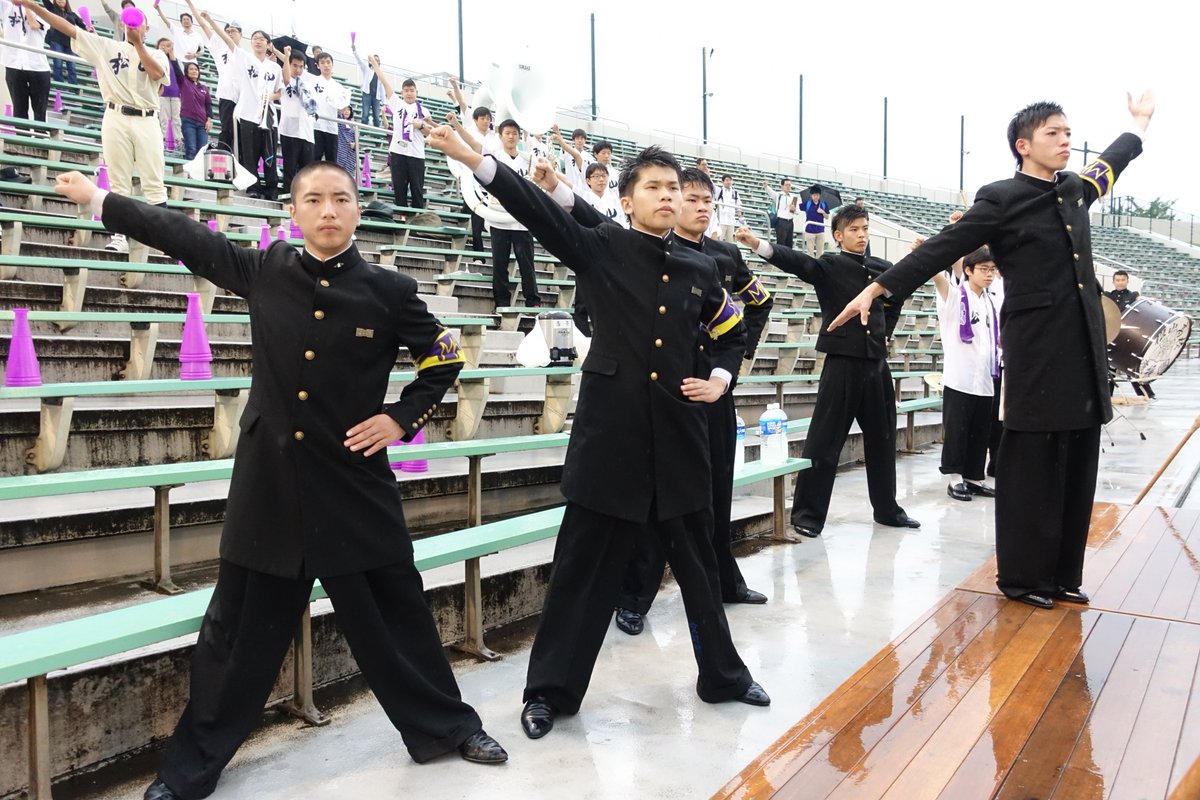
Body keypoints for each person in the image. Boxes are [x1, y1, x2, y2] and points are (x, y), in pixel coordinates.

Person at [54, 162, 510, 800]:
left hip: (354, 488)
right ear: (294, 212)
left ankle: (448, 729)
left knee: (397, 620)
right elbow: (185, 237)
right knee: (233, 641)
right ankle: (188, 773)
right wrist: (102, 198)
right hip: (269, 489)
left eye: (341, 199)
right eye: (314, 200)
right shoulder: (265, 271)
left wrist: (399, 418)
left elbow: (444, 360)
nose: (328, 210)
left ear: (357, 211)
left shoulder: (389, 290)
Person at [429, 127, 771, 740]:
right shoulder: (603, 246)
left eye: (675, 188)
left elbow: (731, 334)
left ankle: (723, 674)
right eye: (654, 188)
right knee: (581, 574)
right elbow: (538, 212)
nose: (667, 197)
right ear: (629, 198)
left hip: (679, 441)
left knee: (698, 566)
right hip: (611, 442)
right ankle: (549, 694)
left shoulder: (701, 268)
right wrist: (475, 159)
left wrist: (720, 378)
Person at [828, 93, 1156, 609]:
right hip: (1037, 351)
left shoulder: (1074, 189)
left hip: (1084, 350)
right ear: (1024, 146)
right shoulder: (1001, 198)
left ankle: (1062, 574)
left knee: (1077, 462)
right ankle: (1023, 577)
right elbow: (943, 246)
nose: (1066, 140)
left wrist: (1137, 124)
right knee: (1030, 466)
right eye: (1053, 133)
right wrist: (879, 288)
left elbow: (1110, 163)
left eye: (1068, 132)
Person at [595, 168, 772, 634]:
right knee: (657, 501)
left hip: (712, 390)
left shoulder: (725, 256)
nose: (699, 207)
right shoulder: (648, 252)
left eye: (705, 200)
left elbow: (758, 303)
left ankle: (724, 582)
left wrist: (730, 362)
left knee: (716, 492)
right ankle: (635, 596)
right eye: (689, 198)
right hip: (664, 388)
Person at [735, 205, 919, 538]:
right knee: (824, 441)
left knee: (883, 439)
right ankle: (808, 514)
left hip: (877, 366)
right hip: (841, 364)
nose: (862, 235)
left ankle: (888, 508)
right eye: (854, 230)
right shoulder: (829, 266)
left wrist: (886, 333)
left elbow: (897, 300)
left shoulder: (882, 269)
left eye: (865, 229)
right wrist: (758, 244)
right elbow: (797, 262)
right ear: (838, 235)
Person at [19, 0, 167, 253]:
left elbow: (156, 74)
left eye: (139, 22)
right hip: (115, 115)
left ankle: (165, 238)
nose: (133, 24)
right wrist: (30, 5)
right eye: (129, 21)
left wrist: (139, 44)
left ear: (146, 28)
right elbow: (68, 28)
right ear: (121, 24)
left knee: (153, 181)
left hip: (147, 117)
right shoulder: (106, 46)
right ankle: (120, 236)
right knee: (119, 181)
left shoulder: (157, 53)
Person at [930, 246, 1000, 501]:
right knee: (957, 430)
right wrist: (930, 251)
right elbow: (939, 277)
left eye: (992, 269)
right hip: (960, 377)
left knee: (980, 430)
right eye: (983, 269)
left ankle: (973, 476)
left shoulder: (990, 300)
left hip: (984, 378)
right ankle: (954, 479)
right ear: (968, 271)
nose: (989, 274)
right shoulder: (955, 297)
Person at [458, 117, 539, 308]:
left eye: (515, 133)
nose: (511, 137)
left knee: (527, 263)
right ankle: (501, 301)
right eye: (507, 133)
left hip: (522, 220)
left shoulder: (528, 160)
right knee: (500, 263)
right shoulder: (494, 156)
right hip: (498, 219)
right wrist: (456, 125)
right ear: (500, 136)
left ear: (519, 136)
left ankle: (533, 301)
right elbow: (474, 145)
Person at [207, 18, 283, 200]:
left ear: (268, 44)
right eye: (255, 38)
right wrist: (210, 20)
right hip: (248, 115)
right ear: (251, 42)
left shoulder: (274, 67)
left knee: (269, 154)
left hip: (268, 116)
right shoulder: (244, 58)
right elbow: (226, 39)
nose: (258, 41)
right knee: (250, 154)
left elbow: (279, 92)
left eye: (262, 39)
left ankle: (272, 189)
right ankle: (253, 186)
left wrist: (269, 97)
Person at [370, 59, 432, 210]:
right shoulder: (397, 103)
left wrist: (420, 125)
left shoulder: (423, 111)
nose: (409, 93)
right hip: (398, 152)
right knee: (399, 188)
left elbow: (430, 132)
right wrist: (375, 65)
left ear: (417, 92)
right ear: (402, 92)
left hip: (417, 154)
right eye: (406, 90)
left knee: (417, 189)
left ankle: (418, 220)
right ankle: (401, 219)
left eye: (412, 90)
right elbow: (385, 83)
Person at [185, 2, 238, 153]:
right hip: (227, 95)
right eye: (227, 31)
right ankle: (222, 160)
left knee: (241, 134)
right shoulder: (219, 47)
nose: (230, 33)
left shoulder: (243, 54)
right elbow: (203, 25)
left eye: (233, 31)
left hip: (243, 99)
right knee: (227, 130)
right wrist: (191, 4)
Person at [2, 0, 51, 122]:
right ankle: (21, 139)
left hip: (38, 67)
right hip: (14, 64)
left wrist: (27, 6)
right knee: (19, 109)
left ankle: (41, 138)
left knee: (40, 110)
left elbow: (34, 25)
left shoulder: (40, 12)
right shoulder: (7, 7)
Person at [278, 47, 316, 196]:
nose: (298, 70)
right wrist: (286, 56)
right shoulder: (284, 79)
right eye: (295, 65)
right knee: (290, 166)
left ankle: (305, 196)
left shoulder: (308, 85)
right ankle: (289, 194)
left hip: (306, 131)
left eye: (301, 66)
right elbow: (287, 79)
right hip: (289, 129)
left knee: (307, 170)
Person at [310, 52, 349, 164]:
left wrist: (343, 105)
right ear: (318, 65)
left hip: (332, 127)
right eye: (322, 63)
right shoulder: (313, 81)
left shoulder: (338, 87)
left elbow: (342, 109)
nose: (326, 65)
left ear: (332, 65)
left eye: (328, 62)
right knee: (314, 160)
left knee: (331, 162)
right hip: (316, 125)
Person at [172, 58, 212, 160]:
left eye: (196, 69)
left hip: (202, 123)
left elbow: (208, 105)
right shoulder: (184, 82)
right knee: (191, 148)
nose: (194, 71)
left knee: (202, 150)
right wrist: (172, 54)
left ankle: (198, 174)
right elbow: (176, 69)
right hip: (188, 121)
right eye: (191, 69)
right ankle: (189, 174)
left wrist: (209, 120)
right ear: (186, 72)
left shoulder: (204, 88)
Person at [42, 0, 84, 85]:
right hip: (56, 41)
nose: (61, 0)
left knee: (72, 66)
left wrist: (88, 28)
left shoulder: (72, 14)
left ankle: (73, 87)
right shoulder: (53, 9)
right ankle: (59, 87)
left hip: (69, 43)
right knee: (58, 64)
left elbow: (82, 25)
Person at [155, 38, 182, 154]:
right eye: (162, 45)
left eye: (167, 45)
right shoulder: (156, 58)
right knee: (164, 119)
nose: (165, 47)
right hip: (163, 93)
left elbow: (178, 72)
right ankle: (164, 141)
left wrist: (171, 52)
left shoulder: (173, 61)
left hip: (175, 94)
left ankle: (178, 141)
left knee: (176, 119)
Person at [350, 39, 385, 127]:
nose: (375, 61)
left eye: (377, 60)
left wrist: (384, 102)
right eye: (374, 59)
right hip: (367, 94)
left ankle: (377, 136)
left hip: (376, 97)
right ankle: (362, 132)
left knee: (376, 116)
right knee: (365, 114)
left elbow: (382, 88)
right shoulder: (367, 69)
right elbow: (359, 61)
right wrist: (354, 50)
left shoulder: (380, 73)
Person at [553, 125, 593, 190]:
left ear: (585, 140)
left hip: (585, 189)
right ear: (573, 140)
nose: (579, 141)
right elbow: (563, 144)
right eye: (577, 138)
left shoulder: (589, 157)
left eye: (582, 138)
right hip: (570, 186)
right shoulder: (568, 152)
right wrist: (557, 132)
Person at [765, 177, 797, 249]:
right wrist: (766, 186)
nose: (788, 187)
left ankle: (788, 259)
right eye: (786, 185)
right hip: (781, 221)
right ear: (782, 186)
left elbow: (796, 211)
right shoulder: (778, 195)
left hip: (790, 221)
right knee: (781, 242)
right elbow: (771, 193)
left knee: (789, 243)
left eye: (789, 185)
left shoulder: (793, 197)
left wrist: (794, 209)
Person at [802, 186, 830, 257]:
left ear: (819, 195)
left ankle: (819, 267)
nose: (816, 197)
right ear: (811, 196)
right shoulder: (807, 203)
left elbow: (827, 217)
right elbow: (797, 209)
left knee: (820, 253)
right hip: (809, 230)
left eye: (817, 195)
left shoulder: (823, 204)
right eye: (814, 195)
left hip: (820, 231)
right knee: (810, 253)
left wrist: (822, 212)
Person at [714, 174, 742, 242]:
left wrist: (741, 217)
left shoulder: (735, 193)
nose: (728, 182)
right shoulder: (719, 191)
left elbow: (738, 206)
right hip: (721, 221)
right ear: (723, 182)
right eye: (726, 180)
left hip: (731, 221)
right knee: (719, 240)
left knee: (730, 242)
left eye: (730, 180)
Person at [334, 104, 356, 174]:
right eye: (345, 109)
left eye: (349, 110)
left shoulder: (353, 125)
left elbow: (357, 139)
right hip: (339, 150)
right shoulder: (339, 121)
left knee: (347, 174)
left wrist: (355, 145)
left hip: (350, 153)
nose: (347, 111)